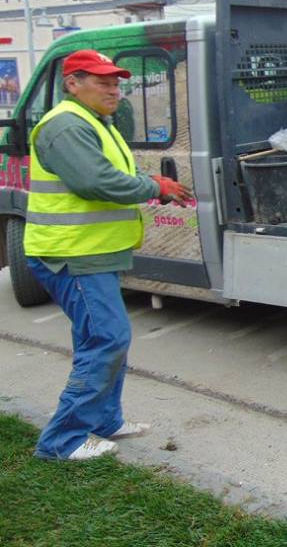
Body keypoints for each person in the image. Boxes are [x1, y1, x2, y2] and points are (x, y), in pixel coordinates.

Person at [24, 49, 192, 461]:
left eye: (116, 83)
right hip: (72, 255)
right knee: (107, 339)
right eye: (103, 82)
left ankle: (103, 421)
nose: (114, 90)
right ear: (73, 83)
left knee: (101, 338)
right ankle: (62, 441)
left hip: (93, 252)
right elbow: (95, 181)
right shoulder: (66, 125)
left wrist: (149, 181)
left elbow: (116, 173)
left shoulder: (95, 121)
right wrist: (155, 187)